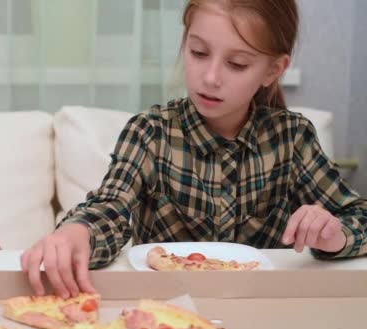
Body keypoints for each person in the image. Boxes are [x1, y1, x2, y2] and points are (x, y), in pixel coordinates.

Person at [21, 0, 367, 298]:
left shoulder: (292, 139)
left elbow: (359, 217)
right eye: (198, 52)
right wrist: (76, 232)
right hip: (164, 313)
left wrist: (334, 235)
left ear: (274, 70)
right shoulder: (151, 132)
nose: (211, 77)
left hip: (260, 308)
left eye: (237, 64)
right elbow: (109, 208)